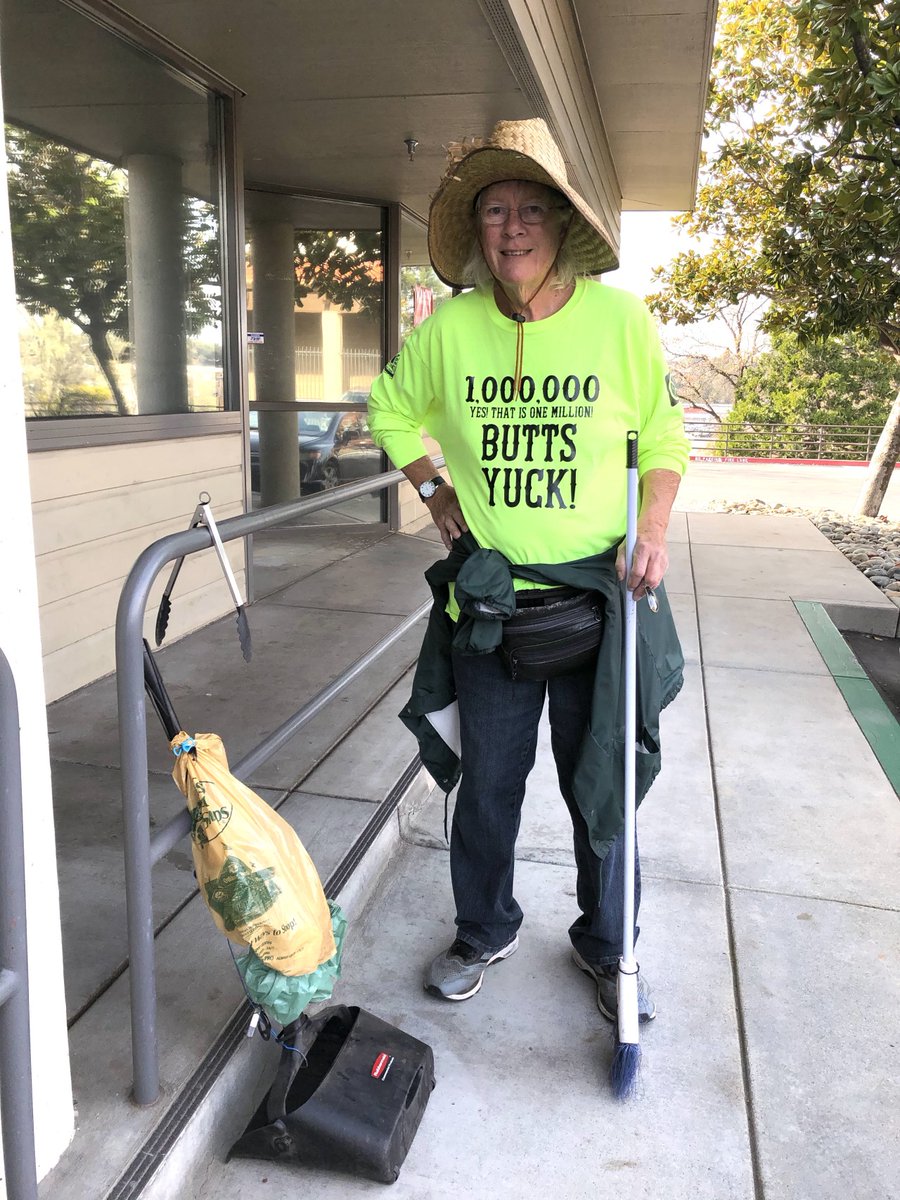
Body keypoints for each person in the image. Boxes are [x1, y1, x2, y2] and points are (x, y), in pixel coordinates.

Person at [368, 118, 689, 1022]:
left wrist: (652, 526)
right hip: (493, 606)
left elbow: (663, 433)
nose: (512, 229)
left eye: (530, 210)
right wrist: (433, 489)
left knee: (603, 787)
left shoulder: (621, 323)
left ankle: (609, 943)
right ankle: (482, 929)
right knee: (488, 787)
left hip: (598, 599)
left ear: (561, 223)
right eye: (494, 211)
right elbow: (388, 408)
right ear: (478, 232)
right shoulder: (451, 329)